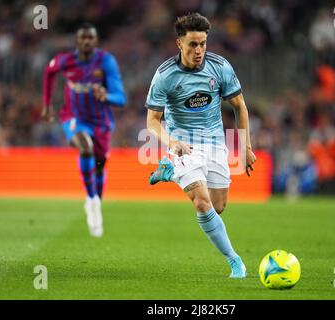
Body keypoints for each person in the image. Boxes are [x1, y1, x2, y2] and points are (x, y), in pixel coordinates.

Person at [145, 13, 256, 278]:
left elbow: (240, 106)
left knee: (218, 207)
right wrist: (171, 141)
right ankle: (235, 261)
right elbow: (152, 121)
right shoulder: (165, 75)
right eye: (193, 44)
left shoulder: (220, 67)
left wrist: (246, 148)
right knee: (203, 204)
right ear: (179, 44)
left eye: (203, 44)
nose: (199, 50)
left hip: (216, 144)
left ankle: (168, 171)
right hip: (183, 145)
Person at [41, 23, 127, 237]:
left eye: (91, 38)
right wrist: (47, 104)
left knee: (100, 166)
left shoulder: (106, 62)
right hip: (74, 118)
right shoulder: (65, 61)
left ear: (96, 41)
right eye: (83, 38)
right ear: (77, 41)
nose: (87, 41)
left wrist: (105, 96)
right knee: (85, 147)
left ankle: (95, 199)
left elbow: (121, 98)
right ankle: (92, 200)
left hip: (101, 122)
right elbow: (49, 71)